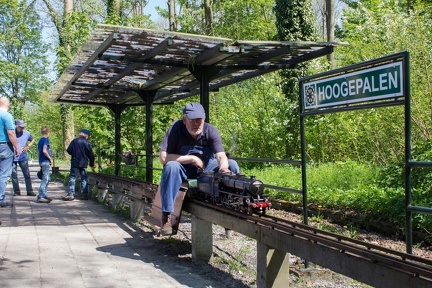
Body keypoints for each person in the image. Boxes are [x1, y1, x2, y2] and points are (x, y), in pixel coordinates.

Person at [159, 102, 240, 235]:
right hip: (183, 171)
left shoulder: (210, 130)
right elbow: (163, 158)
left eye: (199, 120)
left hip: (205, 170)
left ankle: (231, 210)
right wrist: (191, 158)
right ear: (184, 119)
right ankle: (166, 216)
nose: (196, 123)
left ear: (204, 119)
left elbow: (220, 155)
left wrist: (224, 168)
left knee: (232, 164)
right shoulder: (176, 128)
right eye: (192, 120)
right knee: (170, 166)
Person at [62, 129, 95, 201]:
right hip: (83, 163)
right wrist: (92, 164)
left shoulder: (74, 141)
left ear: (80, 135)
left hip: (75, 162)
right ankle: (85, 194)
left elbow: (69, 150)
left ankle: (71, 194)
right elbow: (91, 155)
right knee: (84, 178)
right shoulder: (88, 143)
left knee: (73, 177)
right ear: (86, 136)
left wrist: (74, 154)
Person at [0, 97, 20, 207]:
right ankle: (0, 199)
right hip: (4, 146)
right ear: (9, 105)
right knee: (4, 175)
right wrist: (17, 147)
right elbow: (11, 133)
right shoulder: (7, 116)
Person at [12, 119, 36, 196]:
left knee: (26, 174)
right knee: (14, 175)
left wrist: (28, 146)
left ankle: (29, 190)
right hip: (12, 156)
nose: (22, 128)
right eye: (20, 127)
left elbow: (32, 140)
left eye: (23, 127)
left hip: (23, 157)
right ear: (16, 126)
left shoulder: (26, 133)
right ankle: (17, 191)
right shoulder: (12, 133)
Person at [37, 126, 53, 203]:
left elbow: (39, 153)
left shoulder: (40, 140)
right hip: (45, 161)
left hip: (41, 160)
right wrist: (50, 158)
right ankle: (41, 196)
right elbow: (44, 150)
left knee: (47, 178)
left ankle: (44, 194)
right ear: (47, 132)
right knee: (45, 179)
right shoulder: (46, 140)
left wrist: (40, 160)